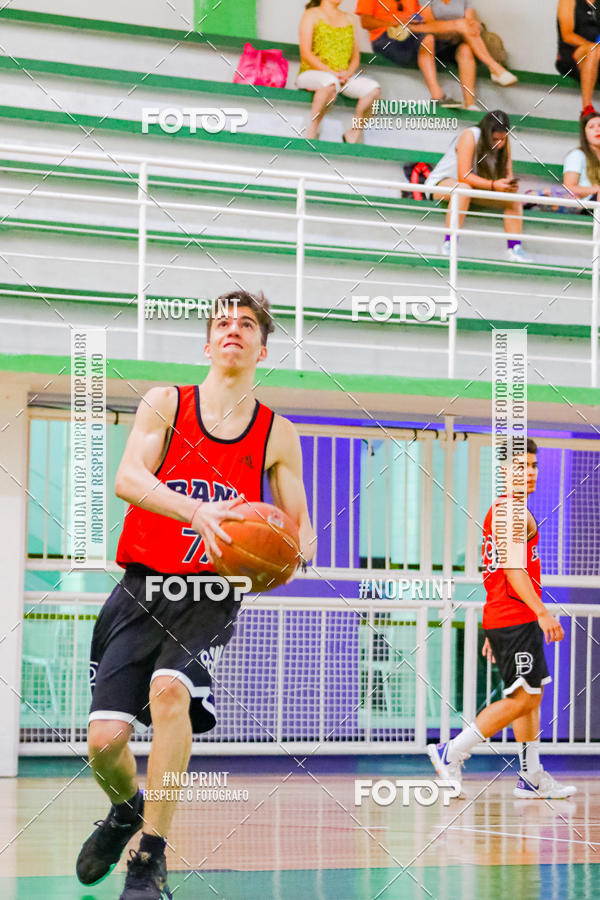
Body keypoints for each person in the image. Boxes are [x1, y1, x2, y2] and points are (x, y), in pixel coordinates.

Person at [75, 291, 316, 900]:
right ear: (208, 344)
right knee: (104, 742)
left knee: (169, 693)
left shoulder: (276, 433)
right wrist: (195, 510)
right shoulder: (166, 403)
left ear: (263, 348)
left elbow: (300, 526)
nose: (233, 330)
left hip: (209, 593)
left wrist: (293, 553)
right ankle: (125, 809)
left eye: (247, 324)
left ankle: (150, 855)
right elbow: (128, 478)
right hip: (141, 587)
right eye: (222, 323)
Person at [428, 439, 577, 800]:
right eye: (520, 467)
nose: (529, 473)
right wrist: (541, 612)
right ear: (504, 472)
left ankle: (531, 776)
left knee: (530, 695)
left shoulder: (510, 509)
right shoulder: (509, 511)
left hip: (509, 618)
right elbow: (512, 569)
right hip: (515, 617)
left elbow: (497, 573)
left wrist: (498, 627)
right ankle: (452, 751)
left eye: (533, 466)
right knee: (523, 700)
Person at [425, 110, 532, 263]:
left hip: (473, 189)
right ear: (487, 133)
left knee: (514, 200)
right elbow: (464, 176)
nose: (499, 143)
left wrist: (509, 186)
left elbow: (508, 175)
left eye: (502, 139)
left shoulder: (504, 141)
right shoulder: (470, 135)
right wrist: (494, 185)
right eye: (495, 139)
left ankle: (515, 250)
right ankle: (449, 244)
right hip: (443, 183)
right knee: (463, 189)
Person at [297, 0, 381, 143]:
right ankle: (313, 130)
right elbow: (306, 53)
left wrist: (348, 73)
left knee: (373, 90)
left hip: (342, 76)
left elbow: (355, 56)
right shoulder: (310, 15)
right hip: (312, 72)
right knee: (330, 84)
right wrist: (331, 72)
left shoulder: (350, 18)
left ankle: (354, 133)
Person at [355, 0, 461, 107]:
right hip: (385, 39)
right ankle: (437, 95)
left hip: (411, 35)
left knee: (454, 43)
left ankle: (464, 102)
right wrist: (397, 22)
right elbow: (366, 22)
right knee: (428, 39)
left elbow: (423, 18)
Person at [417, 1, 517, 110]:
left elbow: (470, 22)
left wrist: (470, 27)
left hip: (456, 40)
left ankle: (469, 104)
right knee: (461, 25)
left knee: (466, 49)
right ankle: (494, 67)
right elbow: (429, 25)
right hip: (434, 43)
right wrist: (455, 26)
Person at [556, 0, 600, 117]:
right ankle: (587, 109)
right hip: (573, 55)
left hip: (597, 55)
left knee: (596, 50)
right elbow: (567, 36)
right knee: (593, 50)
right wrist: (595, 46)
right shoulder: (568, 1)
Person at [563, 109, 600, 201]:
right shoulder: (577, 155)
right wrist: (596, 189)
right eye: (591, 127)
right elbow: (569, 188)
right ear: (585, 134)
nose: (597, 130)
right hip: (586, 203)